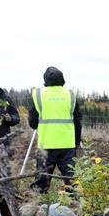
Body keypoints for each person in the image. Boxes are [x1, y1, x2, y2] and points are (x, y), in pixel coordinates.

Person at [28, 66, 82, 194]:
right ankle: (76, 208)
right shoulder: (70, 94)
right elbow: (78, 121)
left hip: (46, 145)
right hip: (67, 145)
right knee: (72, 181)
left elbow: (33, 122)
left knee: (41, 182)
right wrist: (76, 141)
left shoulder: (38, 94)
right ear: (62, 79)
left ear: (45, 80)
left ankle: (38, 208)